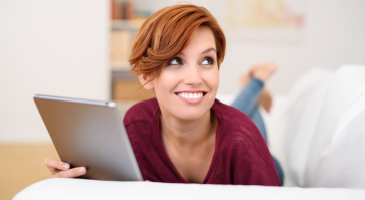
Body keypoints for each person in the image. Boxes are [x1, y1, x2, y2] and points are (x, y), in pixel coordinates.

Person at [44, 4, 281, 186]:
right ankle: (253, 88)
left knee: (243, 119)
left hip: (266, 163)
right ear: (145, 75)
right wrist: (77, 185)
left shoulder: (244, 141)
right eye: (176, 60)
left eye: (207, 60)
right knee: (240, 112)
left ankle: (256, 82)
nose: (195, 77)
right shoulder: (136, 126)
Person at [231, 62, 284, 185]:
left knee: (222, 127)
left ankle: (252, 89)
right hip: (268, 170)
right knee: (224, 128)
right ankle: (254, 85)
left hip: (263, 168)